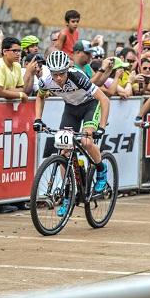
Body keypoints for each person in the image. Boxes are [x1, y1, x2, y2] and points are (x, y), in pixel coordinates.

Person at [33, 50, 110, 216]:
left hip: (90, 105)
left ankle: (101, 169)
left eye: (62, 74)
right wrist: (38, 119)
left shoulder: (78, 77)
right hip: (71, 109)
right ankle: (68, 195)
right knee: (64, 152)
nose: (59, 78)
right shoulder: (46, 80)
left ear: (67, 70)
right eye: (55, 74)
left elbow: (104, 99)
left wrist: (101, 127)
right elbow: (40, 97)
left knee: (86, 141)